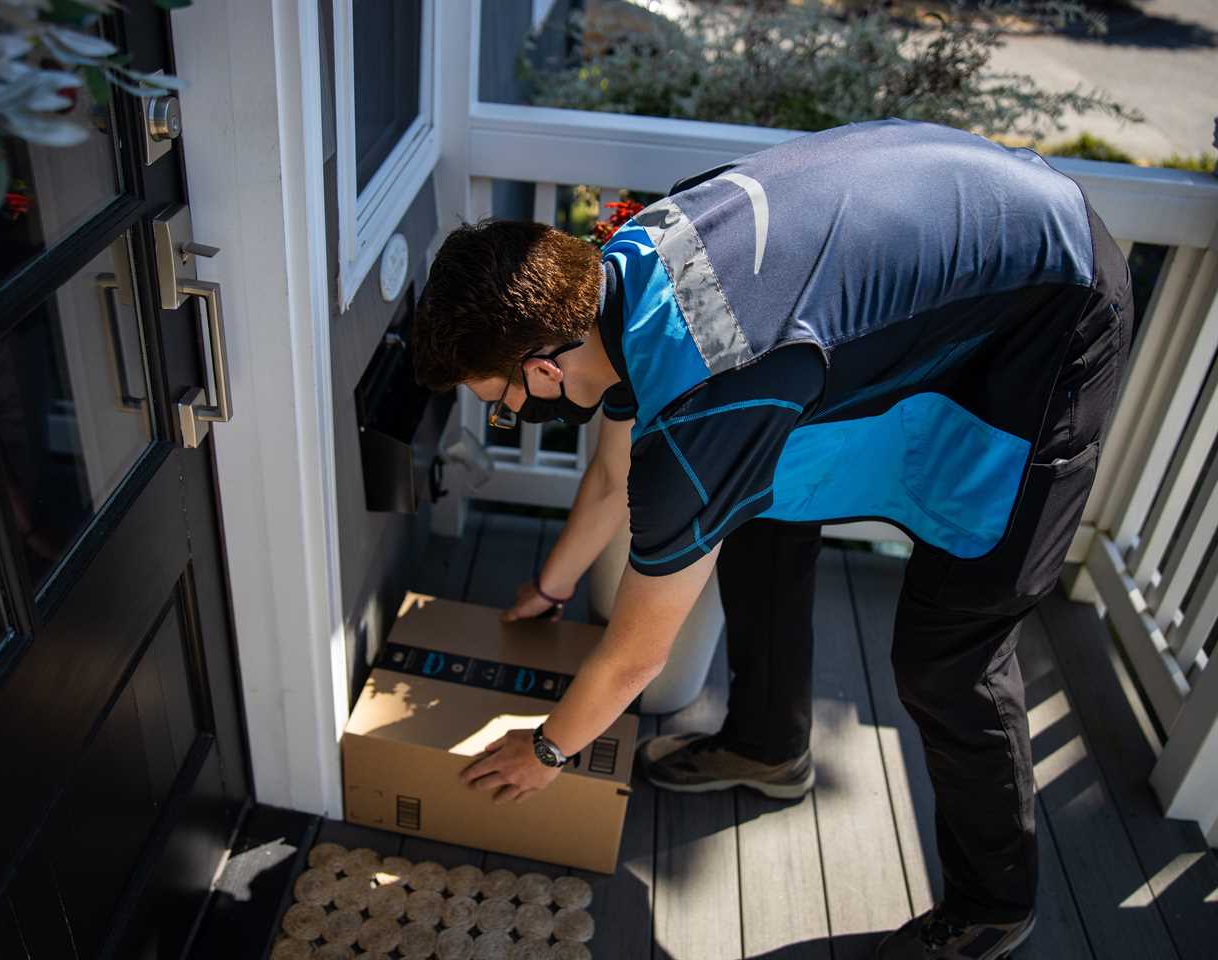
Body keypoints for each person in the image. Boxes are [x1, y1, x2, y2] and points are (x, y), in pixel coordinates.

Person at [411, 118, 1131, 960]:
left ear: (541, 368)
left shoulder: (707, 397)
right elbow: (612, 474)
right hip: (961, 250)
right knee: (760, 506)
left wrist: (546, 751)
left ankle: (996, 902)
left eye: (497, 398)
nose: (507, 412)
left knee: (949, 654)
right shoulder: (621, 269)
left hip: (1059, 303)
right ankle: (767, 745)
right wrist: (554, 585)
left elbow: (640, 652)